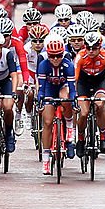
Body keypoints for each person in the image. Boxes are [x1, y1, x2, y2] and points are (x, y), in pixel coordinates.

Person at [37, 37, 77, 174]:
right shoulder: (43, 65)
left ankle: (69, 126)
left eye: (59, 56)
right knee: (47, 122)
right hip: (49, 88)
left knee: (65, 98)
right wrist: (40, 99)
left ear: (63, 54)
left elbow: (72, 89)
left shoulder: (68, 65)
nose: (55, 59)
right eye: (52, 56)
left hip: (63, 87)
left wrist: (73, 101)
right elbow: (41, 89)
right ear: (47, 55)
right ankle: (46, 159)